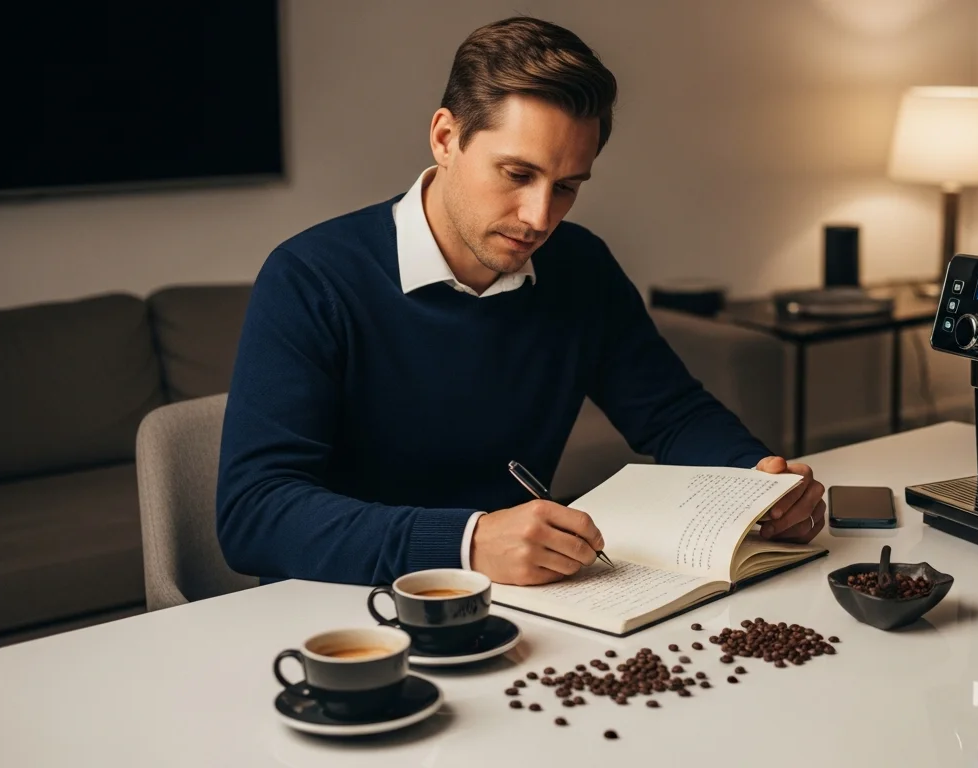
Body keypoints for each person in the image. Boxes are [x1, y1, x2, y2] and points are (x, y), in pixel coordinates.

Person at [215, 16, 826, 587]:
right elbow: (254, 514)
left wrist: (757, 482)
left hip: (522, 601)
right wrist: (468, 542)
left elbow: (672, 413)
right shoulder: (310, 278)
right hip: (341, 609)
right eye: (517, 174)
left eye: (566, 187)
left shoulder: (580, 266)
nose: (539, 217)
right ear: (446, 138)